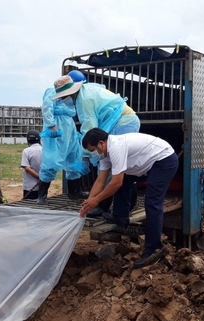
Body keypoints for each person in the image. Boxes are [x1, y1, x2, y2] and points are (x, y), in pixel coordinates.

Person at [79, 128, 178, 268]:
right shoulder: (105, 155)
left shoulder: (116, 147)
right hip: (147, 163)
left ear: (101, 143)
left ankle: (153, 250)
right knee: (121, 181)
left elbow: (116, 183)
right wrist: (89, 202)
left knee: (152, 203)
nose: (95, 153)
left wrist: (97, 200)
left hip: (163, 160)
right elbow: (100, 181)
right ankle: (121, 217)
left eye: (93, 149)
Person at [52, 71, 141, 215]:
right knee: (121, 167)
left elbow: (90, 132)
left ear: (69, 93)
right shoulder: (87, 91)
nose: (63, 100)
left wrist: (85, 157)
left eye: (63, 96)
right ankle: (125, 205)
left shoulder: (84, 101)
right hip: (123, 121)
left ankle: (102, 206)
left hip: (122, 123)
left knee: (109, 167)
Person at [36, 75, 89, 205]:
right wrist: (51, 125)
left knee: (74, 156)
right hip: (57, 127)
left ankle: (74, 192)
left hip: (69, 126)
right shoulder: (52, 92)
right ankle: (41, 195)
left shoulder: (72, 94)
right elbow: (47, 107)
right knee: (52, 159)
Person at [21, 130, 43, 199]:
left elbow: (27, 168)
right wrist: (42, 178)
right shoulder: (44, 150)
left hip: (29, 187)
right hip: (43, 185)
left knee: (28, 207)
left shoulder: (26, 151)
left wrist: (38, 176)